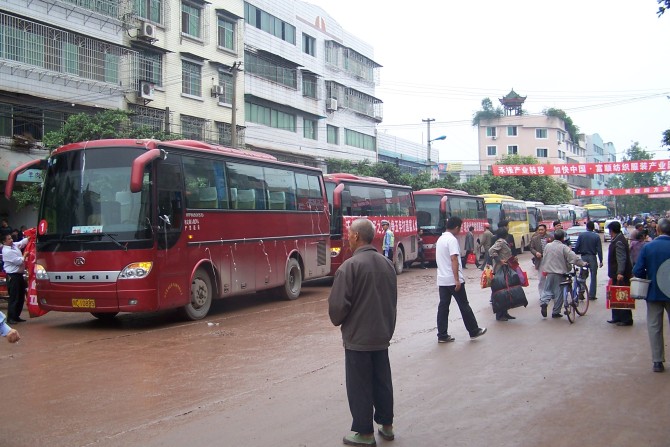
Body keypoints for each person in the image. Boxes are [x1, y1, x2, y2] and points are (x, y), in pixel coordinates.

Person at [329, 218, 397, 446]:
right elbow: (392, 301)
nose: (347, 237)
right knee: (382, 381)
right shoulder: (387, 263)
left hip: (358, 338)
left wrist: (341, 321)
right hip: (382, 335)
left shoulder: (349, 267)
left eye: (349, 233)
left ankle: (364, 432)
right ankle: (387, 426)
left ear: (357, 236)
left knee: (359, 385)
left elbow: (337, 309)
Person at [436, 216, 487, 341]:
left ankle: (442, 335)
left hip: (442, 279)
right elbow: (454, 259)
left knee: (443, 307)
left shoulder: (440, 239)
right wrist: (457, 279)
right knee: (464, 305)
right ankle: (474, 330)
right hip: (453, 279)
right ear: (457, 227)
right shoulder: (452, 240)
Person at [633, 218, 670, 373]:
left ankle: (657, 361)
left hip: (654, 292)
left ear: (658, 230)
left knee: (654, 326)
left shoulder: (649, 247)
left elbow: (638, 271)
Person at [538, 229, 588, 319]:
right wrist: (583, 263)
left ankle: (544, 303)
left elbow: (544, 256)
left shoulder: (547, 246)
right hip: (559, 273)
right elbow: (574, 258)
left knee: (547, 289)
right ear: (563, 238)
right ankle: (556, 312)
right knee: (559, 293)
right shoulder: (563, 247)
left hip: (549, 272)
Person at [606, 220, 634, 326]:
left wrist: (620, 272)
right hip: (616, 274)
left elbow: (621, 258)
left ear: (611, 230)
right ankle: (617, 317)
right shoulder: (618, 239)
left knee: (622, 295)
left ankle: (626, 319)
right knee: (615, 295)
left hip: (620, 274)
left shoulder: (618, 241)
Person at [489, 227, 519, 321]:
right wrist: (499, 260)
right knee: (501, 292)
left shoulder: (503, 242)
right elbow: (491, 251)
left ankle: (505, 313)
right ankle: (500, 314)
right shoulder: (500, 242)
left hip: (506, 268)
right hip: (500, 270)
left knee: (506, 290)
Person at [2, 232, 30, 324]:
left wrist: (29, 238)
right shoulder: (6, 251)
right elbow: (18, 261)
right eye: (9, 239)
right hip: (12, 276)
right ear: (4, 242)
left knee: (21, 296)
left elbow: (21, 243)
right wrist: (24, 256)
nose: (11, 240)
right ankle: (10, 317)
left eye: (11, 238)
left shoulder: (14, 245)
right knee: (14, 297)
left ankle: (16, 315)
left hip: (19, 275)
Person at [574, 221, 603, 300]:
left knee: (583, 275)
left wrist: (576, 254)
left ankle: (581, 291)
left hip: (583, 257)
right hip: (592, 257)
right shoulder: (596, 236)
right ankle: (591, 295)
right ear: (593, 227)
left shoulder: (581, 235)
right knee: (593, 276)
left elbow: (576, 247)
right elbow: (599, 250)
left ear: (586, 227)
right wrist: (601, 260)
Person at [529, 224, 550, 295]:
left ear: (545, 230)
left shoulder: (550, 238)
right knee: (541, 278)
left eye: (542, 230)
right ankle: (542, 294)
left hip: (550, 260)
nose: (540, 231)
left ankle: (551, 292)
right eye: (539, 230)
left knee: (550, 277)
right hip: (540, 260)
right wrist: (536, 253)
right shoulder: (535, 239)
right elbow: (531, 248)